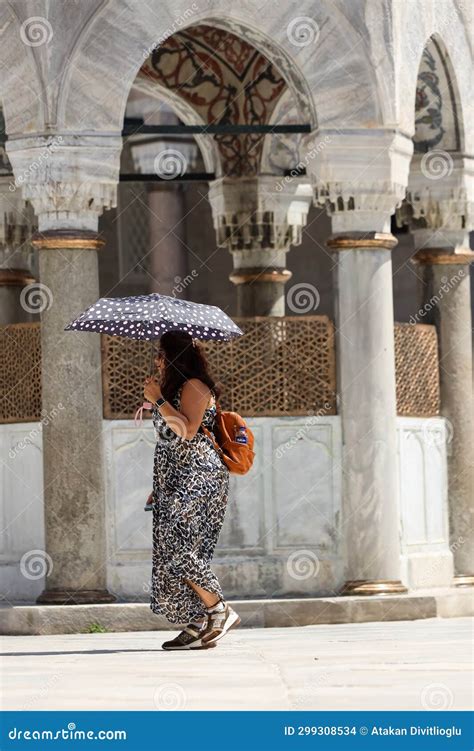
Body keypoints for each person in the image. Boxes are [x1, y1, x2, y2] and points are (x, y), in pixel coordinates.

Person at [143, 330, 240, 650]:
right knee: (173, 549)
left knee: (179, 546)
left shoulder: (195, 387)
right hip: (176, 480)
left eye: (160, 354)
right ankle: (201, 620)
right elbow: (168, 442)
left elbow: (186, 431)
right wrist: (159, 486)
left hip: (201, 476)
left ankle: (218, 610)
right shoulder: (174, 391)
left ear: (174, 356)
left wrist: (157, 399)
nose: (157, 361)